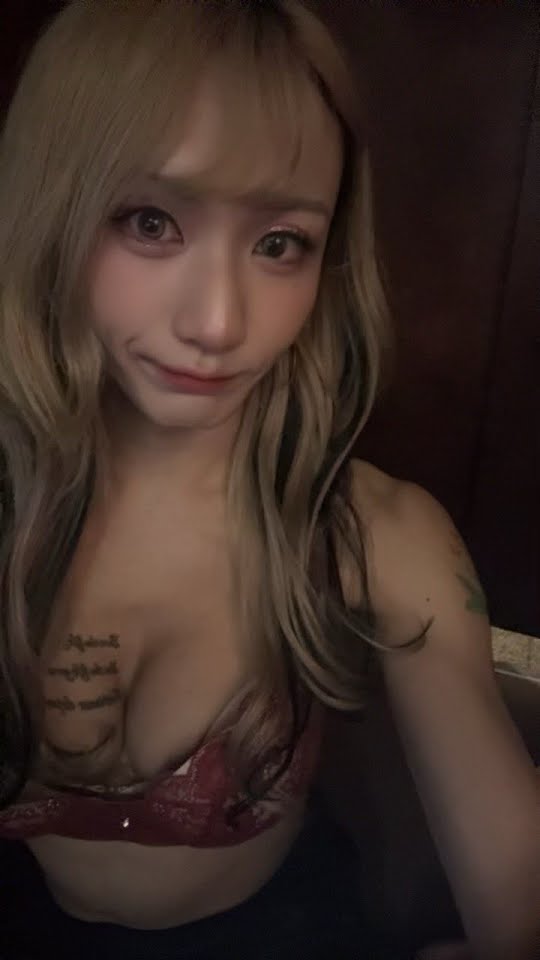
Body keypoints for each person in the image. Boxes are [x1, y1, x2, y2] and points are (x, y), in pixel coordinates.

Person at [0, 1, 537, 958]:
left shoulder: (373, 534)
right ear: (52, 211)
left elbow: (518, 897)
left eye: (280, 242)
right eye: (151, 222)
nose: (218, 321)